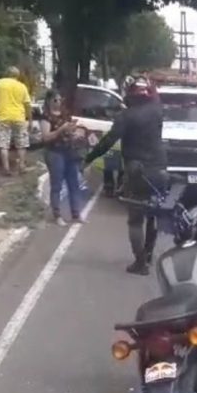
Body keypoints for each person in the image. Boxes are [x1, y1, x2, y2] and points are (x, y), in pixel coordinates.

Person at [84, 75, 166, 276]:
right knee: (153, 215)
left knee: (135, 220)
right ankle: (148, 254)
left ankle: (140, 263)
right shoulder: (157, 110)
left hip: (137, 171)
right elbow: (155, 96)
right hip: (160, 169)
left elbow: (108, 141)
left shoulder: (126, 116)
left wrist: (89, 158)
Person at [40, 89, 84, 226]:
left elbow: (70, 131)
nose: (58, 102)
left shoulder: (65, 114)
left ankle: (76, 213)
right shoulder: (46, 117)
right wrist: (60, 130)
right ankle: (57, 214)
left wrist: (75, 133)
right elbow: (46, 137)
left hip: (69, 151)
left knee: (74, 183)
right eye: (55, 100)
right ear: (49, 101)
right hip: (55, 152)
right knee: (57, 185)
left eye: (60, 100)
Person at [0, 66, 32, 175]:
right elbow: (27, 105)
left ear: (6, 73)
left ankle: (6, 168)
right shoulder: (22, 86)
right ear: (17, 75)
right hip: (19, 117)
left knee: (4, 144)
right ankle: (22, 166)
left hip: (3, 117)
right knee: (21, 143)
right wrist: (30, 119)